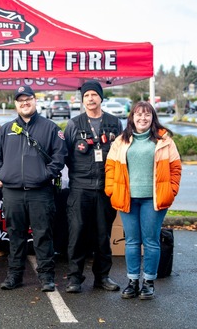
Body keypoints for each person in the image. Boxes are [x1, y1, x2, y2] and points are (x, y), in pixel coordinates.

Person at [0, 86, 66, 292]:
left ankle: (47, 277)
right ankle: (15, 275)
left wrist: (44, 175)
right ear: (15, 104)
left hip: (40, 192)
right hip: (13, 193)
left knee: (43, 235)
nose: (24, 103)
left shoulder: (50, 128)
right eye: (20, 100)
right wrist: (2, 174)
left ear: (35, 100)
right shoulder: (6, 130)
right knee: (15, 235)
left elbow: (59, 158)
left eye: (28, 99)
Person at [105, 101, 182, 300]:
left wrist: (171, 190)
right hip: (128, 198)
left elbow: (175, 168)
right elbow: (110, 168)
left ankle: (148, 282)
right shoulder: (121, 141)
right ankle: (132, 282)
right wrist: (112, 190)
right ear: (132, 117)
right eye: (138, 114)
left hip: (153, 200)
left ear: (153, 118)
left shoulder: (164, 141)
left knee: (151, 241)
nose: (143, 118)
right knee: (131, 241)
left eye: (147, 115)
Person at [64, 80, 123, 293]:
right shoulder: (73, 124)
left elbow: (121, 154)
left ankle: (102, 277)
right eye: (86, 95)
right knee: (77, 234)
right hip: (80, 189)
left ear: (101, 98)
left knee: (102, 235)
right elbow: (66, 155)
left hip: (105, 190)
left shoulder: (115, 123)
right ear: (82, 99)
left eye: (94, 95)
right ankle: (74, 279)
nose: (90, 99)